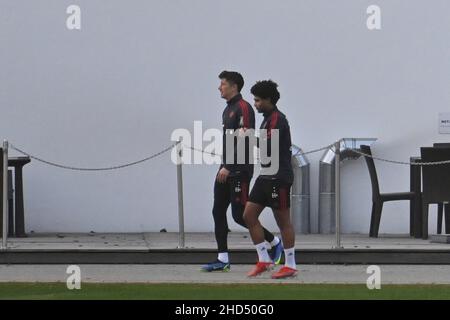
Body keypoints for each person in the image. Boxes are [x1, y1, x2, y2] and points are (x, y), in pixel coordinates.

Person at [201, 71, 283, 272]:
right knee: (217, 210)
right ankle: (223, 259)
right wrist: (224, 165)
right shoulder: (227, 110)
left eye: (223, 84)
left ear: (234, 86)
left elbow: (246, 138)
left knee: (240, 215)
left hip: (239, 170)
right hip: (226, 168)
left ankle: (274, 243)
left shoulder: (244, 108)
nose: (219, 88)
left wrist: (229, 166)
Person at [243, 80, 297, 279]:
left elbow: (268, 147)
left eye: (257, 100)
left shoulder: (277, 119)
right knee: (248, 215)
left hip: (278, 178)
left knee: (283, 222)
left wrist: (248, 138)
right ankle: (264, 260)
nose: (255, 104)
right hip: (266, 175)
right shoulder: (267, 118)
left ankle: (290, 264)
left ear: (268, 100)